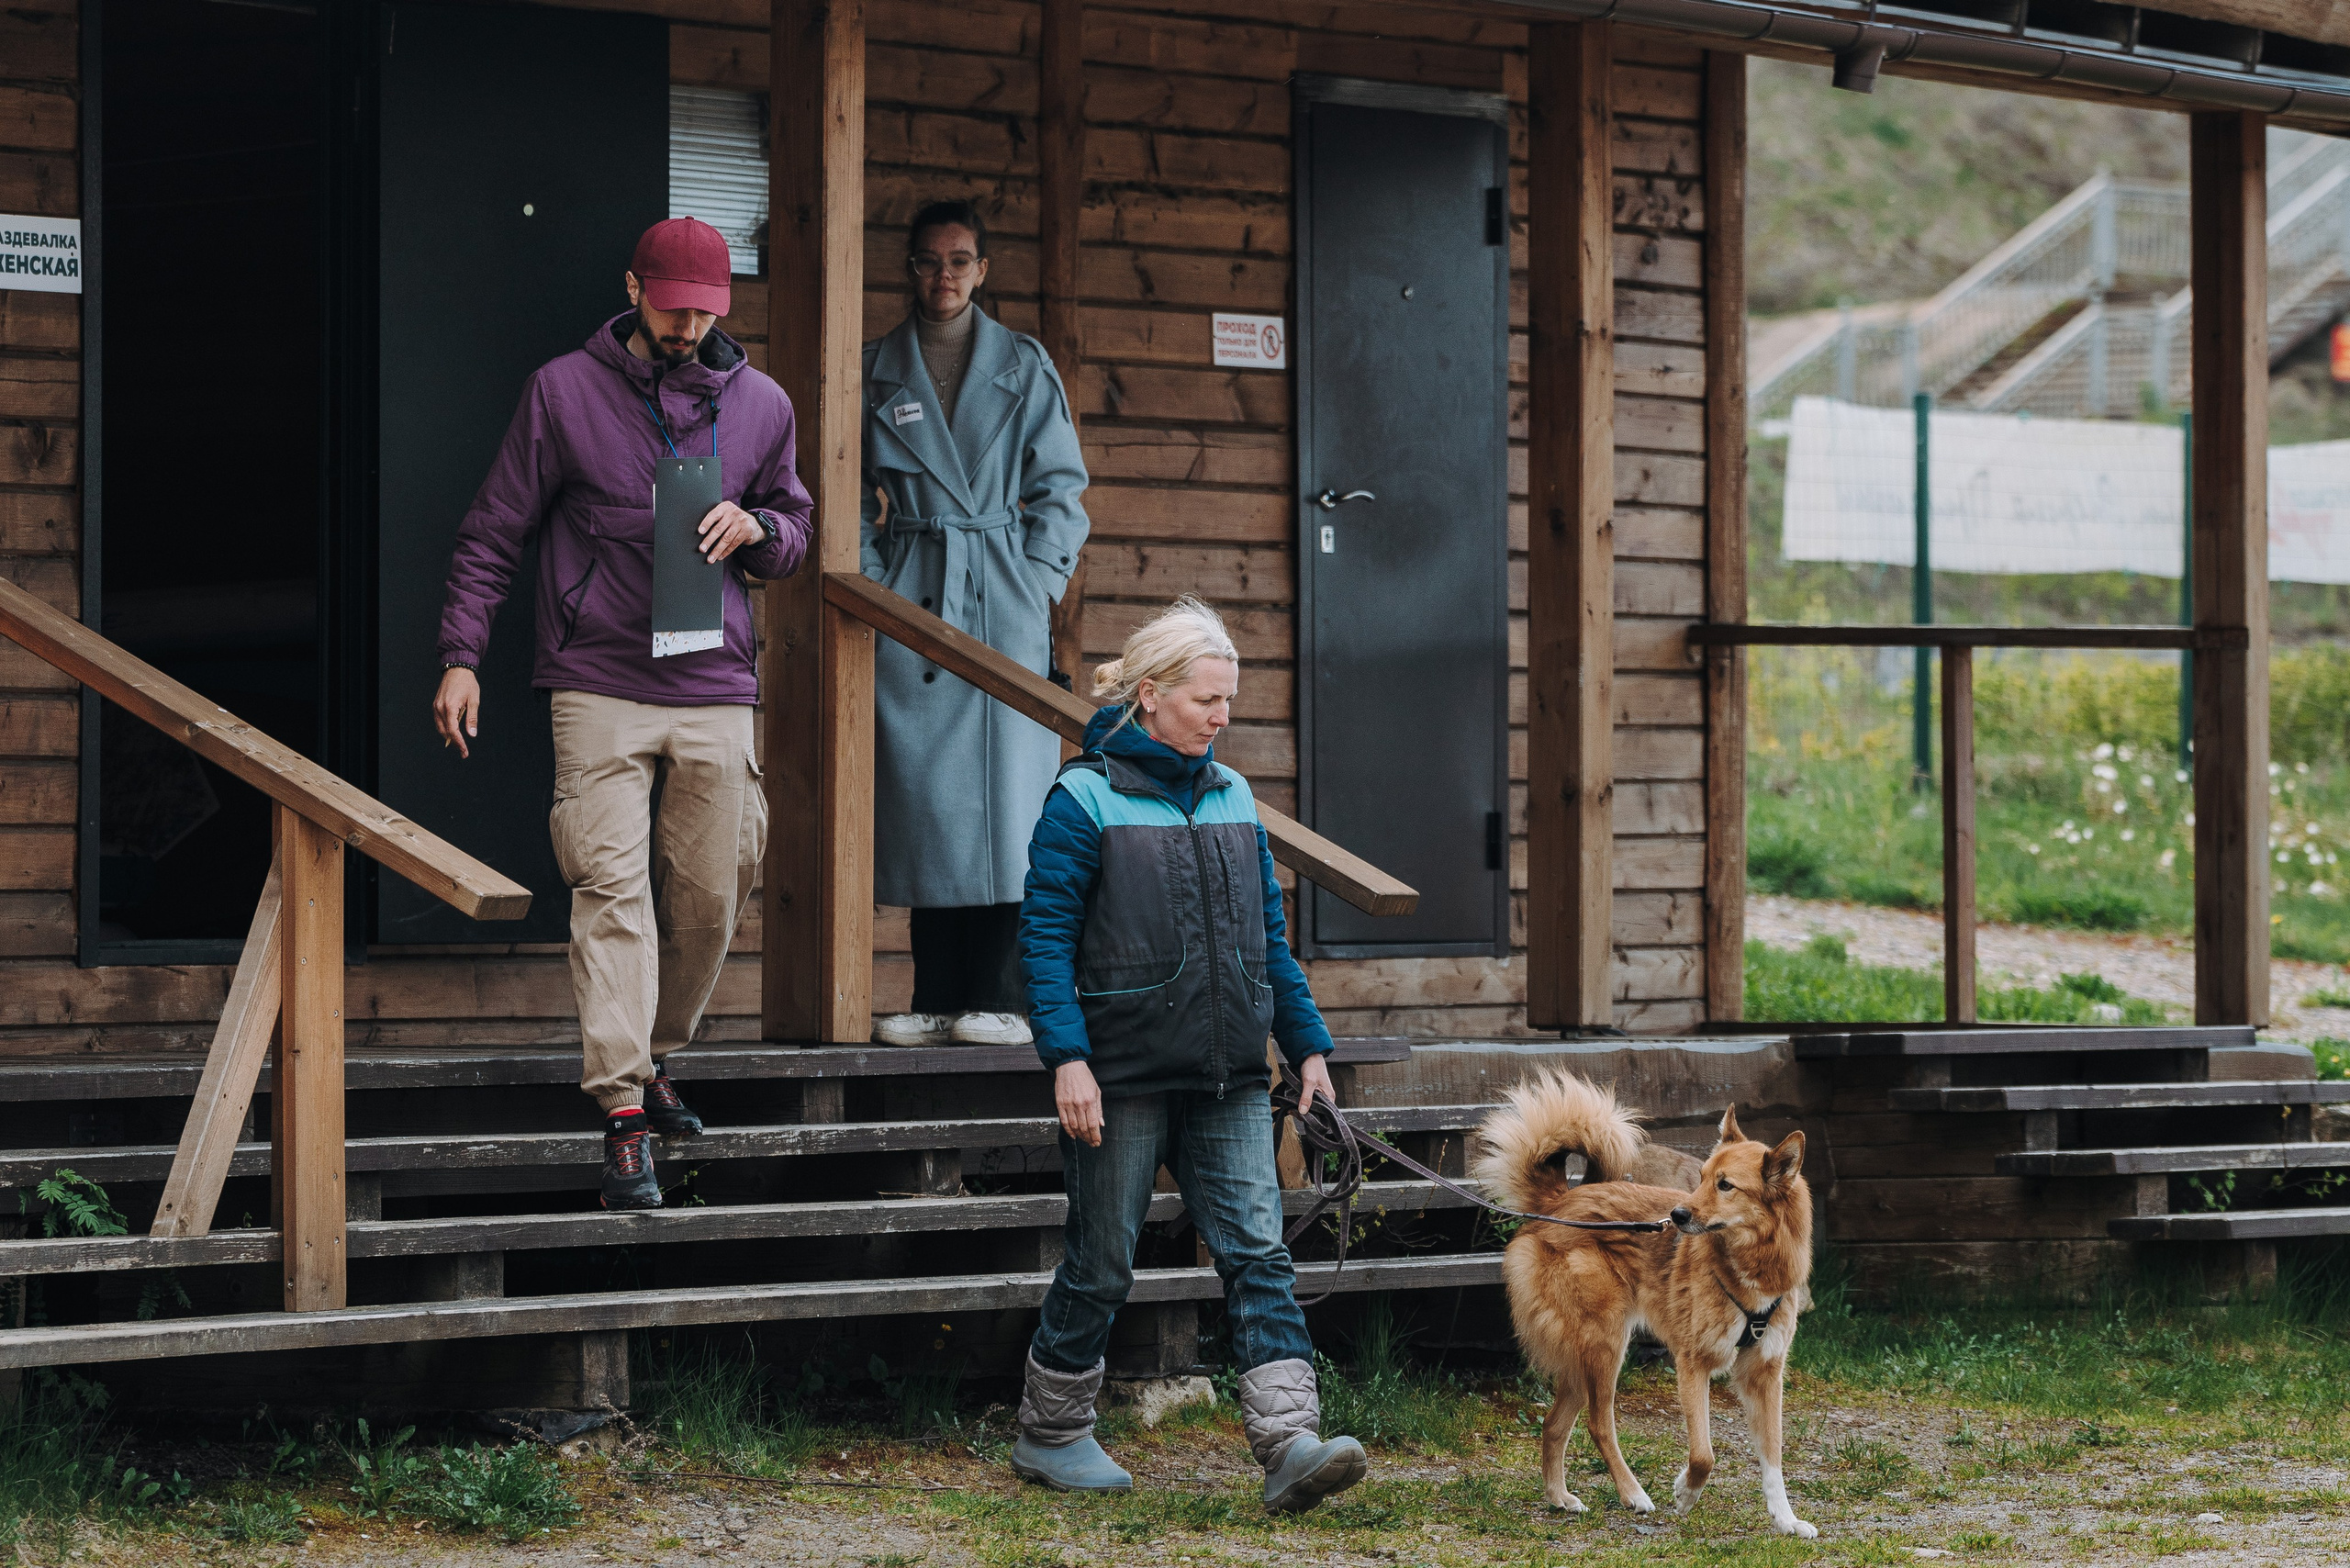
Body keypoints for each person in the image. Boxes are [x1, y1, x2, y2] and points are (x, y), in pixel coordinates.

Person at [431, 217, 813, 1211]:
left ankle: (652, 1056)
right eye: (674, 305)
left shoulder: (763, 405)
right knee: (609, 890)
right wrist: (461, 654)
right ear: (634, 288)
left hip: (715, 682)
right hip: (595, 677)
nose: (689, 325)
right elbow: (493, 532)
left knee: (714, 889)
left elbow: (797, 529)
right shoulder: (563, 391)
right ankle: (623, 1115)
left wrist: (762, 527)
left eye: (707, 310)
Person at [1010, 598, 1370, 1513]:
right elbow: (1043, 941)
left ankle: (1289, 1445)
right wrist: (1067, 1059)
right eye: (1207, 699)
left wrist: (1309, 1048)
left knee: (1257, 1251)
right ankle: (1050, 1433)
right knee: (1101, 1263)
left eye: (1228, 702)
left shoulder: (1233, 796)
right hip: (1118, 1078)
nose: (1220, 717)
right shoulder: (1081, 795)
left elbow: (1267, 942)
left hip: (1227, 1078)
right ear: (1151, 694)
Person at [862, 199, 1090, 1049]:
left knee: (1010, 801)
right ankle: (936, 994)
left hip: (1001, 599)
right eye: (928, 260)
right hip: (913, 594)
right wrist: (878, 578)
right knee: (928, 798)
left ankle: (1006, 998)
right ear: (908, 268)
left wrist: (1031, 586)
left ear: (983, 270)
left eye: (960, 261)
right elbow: (843, 492)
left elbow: (1062, 492)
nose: (944, 276)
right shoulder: (874, 367)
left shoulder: (1023, 367)